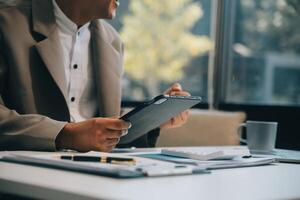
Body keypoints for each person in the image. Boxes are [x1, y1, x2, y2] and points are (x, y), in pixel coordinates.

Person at [0, 0, 190, 152]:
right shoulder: (6, 21)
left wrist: (153, 119)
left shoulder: (113, 41)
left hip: (94, 173)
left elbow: (102, 129)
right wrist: (66, 134)